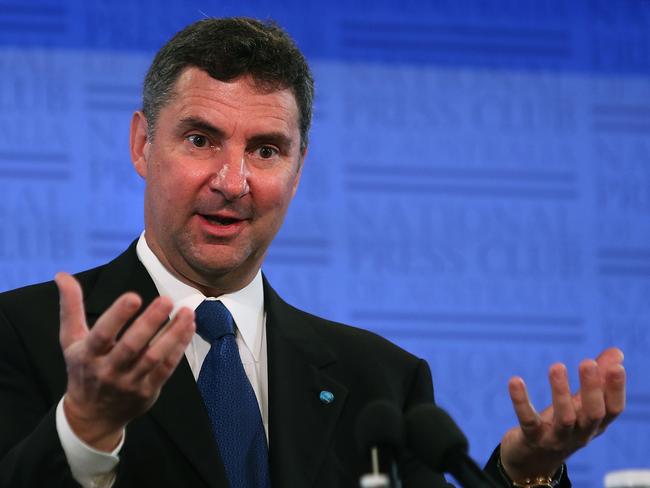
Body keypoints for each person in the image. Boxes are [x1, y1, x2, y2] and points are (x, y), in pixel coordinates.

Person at [0, 17, 626, 488]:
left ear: (299, 171)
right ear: (141, 145)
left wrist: (528, 470)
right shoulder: (22, 336)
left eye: (266, 150)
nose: (232, 181)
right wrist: (85, 429)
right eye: (200, 139)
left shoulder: (381, 382)